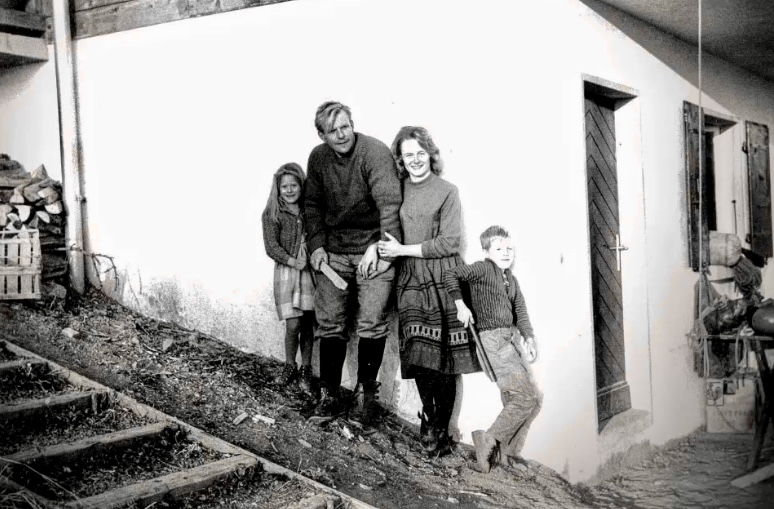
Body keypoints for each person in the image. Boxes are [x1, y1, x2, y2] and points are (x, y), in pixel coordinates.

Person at [377, 126, 480, 455]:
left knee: (443, 360)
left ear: (430, 154)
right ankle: (430, 416)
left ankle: (440, 426)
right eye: (409, 155)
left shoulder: (448, 190)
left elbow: (449, 242)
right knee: (419, 355)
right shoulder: (397, 190)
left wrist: (402, 251)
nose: (416, 160)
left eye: (421, 153)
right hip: (410, 279)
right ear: (401, 160)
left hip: (443, 278)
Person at [304, 101, 403, 423]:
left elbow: (390, 205)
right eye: (333, 131)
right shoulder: (318, 158)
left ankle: (365, 398)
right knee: (329, 322)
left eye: (345, 126)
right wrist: (317, 246)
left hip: (374, 249)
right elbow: (313, 205)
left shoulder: (373, 153)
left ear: (352, 123)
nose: (341, 134)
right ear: (322, 135)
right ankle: (330, 394)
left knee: (371, 323)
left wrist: (382, 247)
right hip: (334, 252)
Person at [443, 225, 541, 473]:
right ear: (487, 251)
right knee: (526, 398)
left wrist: (529, 337)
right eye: (499, 249)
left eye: (509, 248)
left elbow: (520, 311)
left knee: (513, 396)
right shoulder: (483, 269)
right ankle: (487, 439)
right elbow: (450, 275)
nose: (506, 253)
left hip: (509, 340)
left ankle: (504, 455)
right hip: (493, 341)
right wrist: (460, 305)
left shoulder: (511, 279)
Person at [262, 163, 315, 394]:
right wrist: (294, 261)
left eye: (294, 185)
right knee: (293, 324)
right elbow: (271, 247)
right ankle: (290, 365)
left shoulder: (308, 210)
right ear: (278, 188)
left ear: (301, 186)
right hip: (287, 270)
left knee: (307, 323)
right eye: (285, 186)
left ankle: (306, 369)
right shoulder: (272, 213)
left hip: (309, 272)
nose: (290, 190)